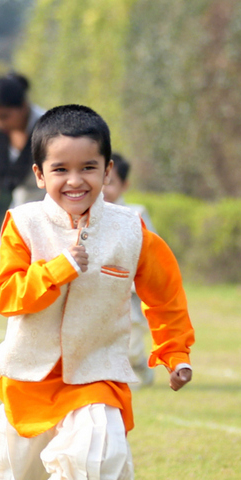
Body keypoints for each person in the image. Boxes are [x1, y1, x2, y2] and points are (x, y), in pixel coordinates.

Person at [0, 105, 194, 480]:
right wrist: (56, 268)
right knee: (12, 479)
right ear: (38, 174)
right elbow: (6, 297)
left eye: (88, 168)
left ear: (108, 171)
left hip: (97, 372)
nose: (75, 180)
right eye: (60, 169)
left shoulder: (131, 229)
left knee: (97, 456)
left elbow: (164, 296)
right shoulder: (23, 224)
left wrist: (175, 354)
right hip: (30, 377)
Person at [0, 73, 47, 250]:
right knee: (7, 267)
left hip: (49, 207)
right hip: (20, 207)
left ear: (23, 106)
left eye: (4, 116)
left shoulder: (47, 125)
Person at [104, 152, 156, 386]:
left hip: (131, 293)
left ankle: (140, 366)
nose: (104, 189)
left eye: (111, 182)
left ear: (125, 185)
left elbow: (152, 251)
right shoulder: (85, 215)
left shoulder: (136, 214)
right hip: (101, 292)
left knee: (132, 342)